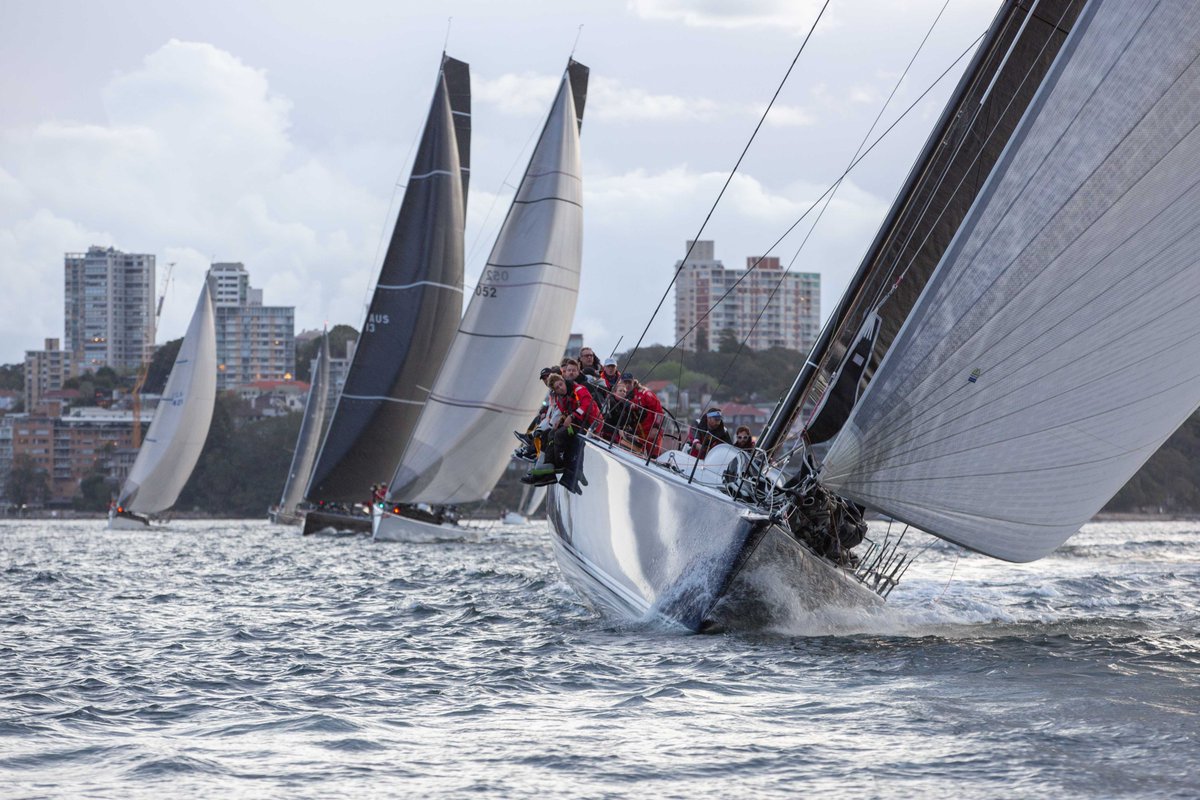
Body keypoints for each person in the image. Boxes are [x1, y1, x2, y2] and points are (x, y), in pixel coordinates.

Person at [523, 374, 601, 490]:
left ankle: (559, 464)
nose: (561, 388)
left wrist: (572, 416)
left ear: (563, 381)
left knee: (560, 434)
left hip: (590, 424)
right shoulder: (561, 397)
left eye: (561, 384)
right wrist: (561, 419)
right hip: (577, 423)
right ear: (555, 390)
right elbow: (565, 411)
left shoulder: (579, 389)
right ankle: (547, 469)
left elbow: (587, 405)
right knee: (548, 434)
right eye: (557, 387)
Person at [623, 374, 665, 458]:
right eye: (625, 382)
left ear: (633, 382)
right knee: (635, 457)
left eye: (629, 382)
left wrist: (655, 428)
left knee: (653, 458)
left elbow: (659, 412)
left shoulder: (646, 394)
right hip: (638, 434)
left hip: (651, 433)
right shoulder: (624, 396)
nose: (627, 385)